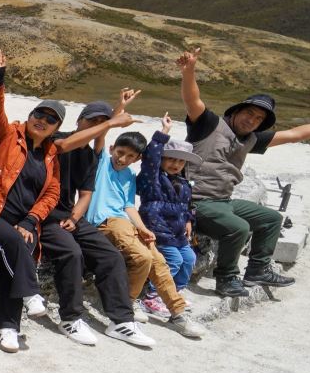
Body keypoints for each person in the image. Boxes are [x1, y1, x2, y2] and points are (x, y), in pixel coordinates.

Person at [177, 51, 310, 296]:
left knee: (271, 219)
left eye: (258, 119)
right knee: (238, 227)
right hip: (197, 201)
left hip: (223, 201)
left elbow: (296, 134)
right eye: (249, 113)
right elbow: (191, 98)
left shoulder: (250, 139)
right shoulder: (208, 123)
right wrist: (189, 70)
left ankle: (258, 270)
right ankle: (226, 279)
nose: (252, 120)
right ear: (236, 111)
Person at [0, 50, 67, 354]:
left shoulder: (51, 155)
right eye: (39, 114)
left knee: (22, 245)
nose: (43, 121)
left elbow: (52, 193)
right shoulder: (7, 136)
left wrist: (31, 220)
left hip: (23, 221)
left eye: (51, 120)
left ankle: (8, 325)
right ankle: (27, 299)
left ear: (56, 128)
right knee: (17, 244)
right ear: (29, 117)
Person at [82, 130, 207, 339]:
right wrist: (117, 113)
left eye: (131, 156)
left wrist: (142, 227)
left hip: (123, 221)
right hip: (104, 222)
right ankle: (126, 303)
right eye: (120, 153)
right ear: (112, 148)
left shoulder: (130, 175)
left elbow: (129, 206)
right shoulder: (102, 162)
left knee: (158, 260)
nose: (123, 159)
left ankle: (178, 313)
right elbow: (100, 136)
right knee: (143, 257)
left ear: (137, 159)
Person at [47, 99, 152, 347]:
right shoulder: (58, 138)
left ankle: (121, 321)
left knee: (111, 256)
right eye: (90, 120)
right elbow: (64, 146)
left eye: (99, 123)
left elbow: (85, 194)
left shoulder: (90, 156)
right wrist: (113, 121)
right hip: (40, 214)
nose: (94, 126)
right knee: (72, 253)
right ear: (78, 120)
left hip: (68, 213)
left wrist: (74, 217)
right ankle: (70, 319)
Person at [136, 116, 204, 305]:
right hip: (158, 230)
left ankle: (174, 292)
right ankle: (152, 296)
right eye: (171, 159)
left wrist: (189, 220)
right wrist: (163, 132)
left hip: (177, 232)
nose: (176, 165)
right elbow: (150, 158)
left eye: (180, 162)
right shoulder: (153, 178)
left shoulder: (183, 183)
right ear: (162, 159)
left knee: (189, 259)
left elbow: (187, 206)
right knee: (173, 261)